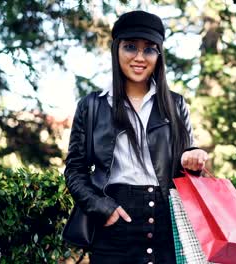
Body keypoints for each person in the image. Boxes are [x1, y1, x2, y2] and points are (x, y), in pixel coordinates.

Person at [64, 10, 209, 264]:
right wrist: (102, 208)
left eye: (149, 49)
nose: (140, 57)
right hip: (113, 225)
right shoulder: (92, 106)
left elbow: (184, 167)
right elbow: (75, 170)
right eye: (130, 47)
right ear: (116, 49)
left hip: (166, 224)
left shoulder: (175, 105)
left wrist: (193, 157)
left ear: (159, 54)